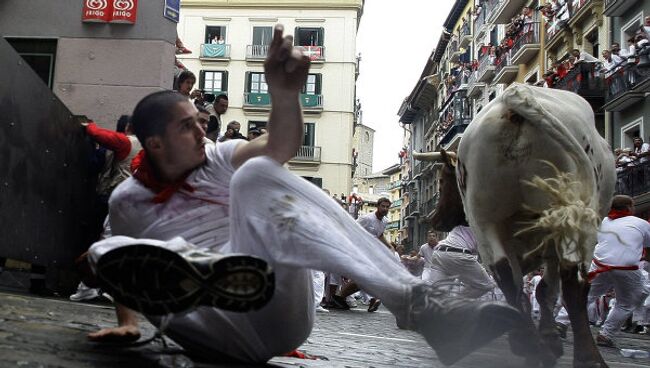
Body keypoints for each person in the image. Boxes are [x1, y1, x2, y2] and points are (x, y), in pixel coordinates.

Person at [85, 25, 518, 366]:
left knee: (254, 174)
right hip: (211, 333)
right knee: (104, 250)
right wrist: (126, 323)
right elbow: (131, 269)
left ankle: (421, 304)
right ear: (154, 144)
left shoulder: (217, 158)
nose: (202, 130)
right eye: (187, 127)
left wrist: (285, 94)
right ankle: (202, 272)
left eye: (201, 122)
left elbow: (278, 147)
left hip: (275, 312)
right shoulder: (127, 201)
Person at [585, 195, 650, 347]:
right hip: (626, 269)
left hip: (600, 265)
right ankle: (606, 335)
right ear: (629, 208)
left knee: (584, 296)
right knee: (626, 303)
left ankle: (560, 322)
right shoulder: (640, 223)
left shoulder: (603, 222)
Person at [423, 225, 495, 299]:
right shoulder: (487, 222)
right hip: (458, 254)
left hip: (439, 253)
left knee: (438, 295)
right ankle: (456, 303)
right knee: (487, 284)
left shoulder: (460, 220)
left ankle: (439, 306)